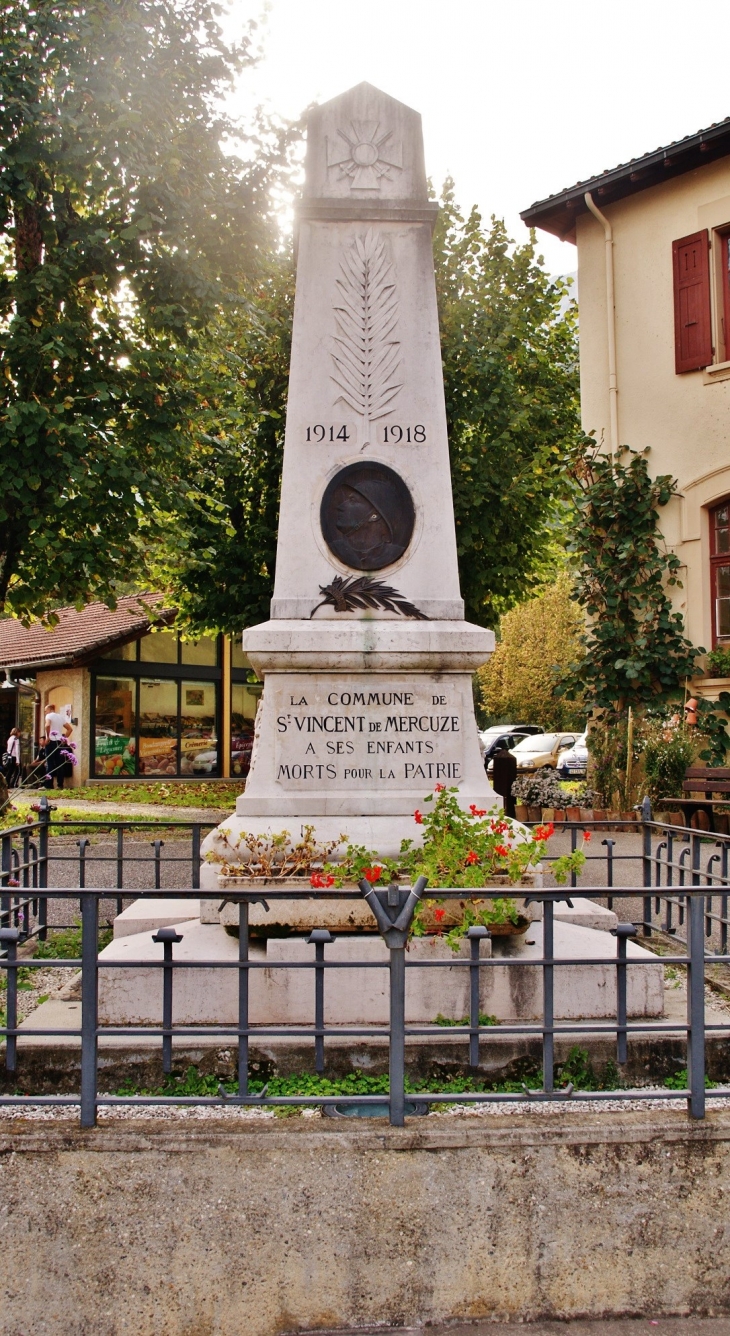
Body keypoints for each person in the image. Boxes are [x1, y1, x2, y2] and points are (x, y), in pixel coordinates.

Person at [44, 703, 72, 790]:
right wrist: (64, 738)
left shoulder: (49, 716)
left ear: (49, 709)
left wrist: (48, 737)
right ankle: (60, 785)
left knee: (50, 763)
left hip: (51, 741)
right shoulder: (61, 717)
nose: (45, 712)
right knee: (60, 764)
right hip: (59, 742)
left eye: (45, 711)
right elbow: (70, 729)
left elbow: (47, 725)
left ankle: (49, 785)